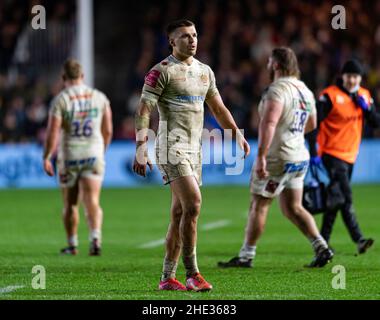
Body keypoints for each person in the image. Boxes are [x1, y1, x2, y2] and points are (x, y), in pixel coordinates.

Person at [133, 19, 250, 291]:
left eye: (195, 35)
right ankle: (193, 274)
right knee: (194, 204)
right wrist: (141, 148)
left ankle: (167, 277)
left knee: (178, 213)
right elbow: (143, 110)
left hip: (195, 149)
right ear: (172, 42)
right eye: (185, 36)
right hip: (170, 147)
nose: (192, 40)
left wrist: (236, 134)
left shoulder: (205, 72)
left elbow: (219, 109)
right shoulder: (160, 71)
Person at [218, 47, 333, 269]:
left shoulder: (277, 90)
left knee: (259, 205)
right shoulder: (305, 90)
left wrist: (261, 156)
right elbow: (312, 124)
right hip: (299, 156)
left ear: (276, 65)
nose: (268, 65)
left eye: (270, 61)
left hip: (278, 158)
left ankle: (246, 256)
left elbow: (269, 123)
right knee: (293, 208)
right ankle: (322, 247)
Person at [307, 59, 379, 254]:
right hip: (331, 154)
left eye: (356, 77)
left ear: (360, 78)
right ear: (342, 76)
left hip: (350, 156)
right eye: (349, 76)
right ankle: (359, 238)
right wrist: (313, 151)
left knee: (335, 198)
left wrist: (368, 109)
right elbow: (314, 123)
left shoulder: (364, 95)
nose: (352, 80)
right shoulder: (329, 96)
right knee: (346, 196)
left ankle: (323, 242)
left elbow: (376, 122)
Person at [43, 59, 113, 256]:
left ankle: (72, 244)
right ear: (82, 76)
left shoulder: (61, 99)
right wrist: (101, 150)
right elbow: (107, 130)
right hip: (93, 154)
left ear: (64, 78)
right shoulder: (99, 97)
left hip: (70, 156)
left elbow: (52, 132)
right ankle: (95, 239)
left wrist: (47, 156)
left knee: (70, 204)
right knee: (92, 200)